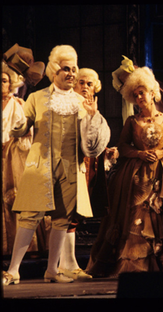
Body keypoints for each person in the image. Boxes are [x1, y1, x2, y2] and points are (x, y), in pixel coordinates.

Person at [2, 45, 111, 285]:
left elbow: (93, 145)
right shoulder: (36, 97)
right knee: (30, 216)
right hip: (40, 166)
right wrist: (17, 123)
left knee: (62, 219)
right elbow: (20, 128)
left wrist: (92, 116)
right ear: (54, 72)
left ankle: (53, 269)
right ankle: (13, 270)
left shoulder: (82, 102)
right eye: (66, 69)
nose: (72, 74)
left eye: (74, 69)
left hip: (70, 168)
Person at [86, 66, 163, 276]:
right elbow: (122, 146)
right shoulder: (132, 121)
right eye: (135, 94)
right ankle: (136, 263)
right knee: (136, 216)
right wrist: (139, 154)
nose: (139, 97)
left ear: (153, 93)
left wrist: (162, 152)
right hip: (137, 175)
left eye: (142, 92)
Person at [56, 68, 118, 281]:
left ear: (95, 88)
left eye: (89, 84)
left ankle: (68, 263)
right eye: (81, 82)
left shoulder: (94, 112)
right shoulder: (67, 108)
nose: (84, 87)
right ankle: (64, 264)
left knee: (75, 216)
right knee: (66, 214)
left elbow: (96, 143)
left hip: (88, 168)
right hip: (68, 168)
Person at [1, 58, 50, 256]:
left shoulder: (18, 104)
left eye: (4, 80)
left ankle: (24, 249)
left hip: (13, 160)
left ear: (11, 83)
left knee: (16, 200)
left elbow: (28, 133)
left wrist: (11, 142)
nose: (0, 84)